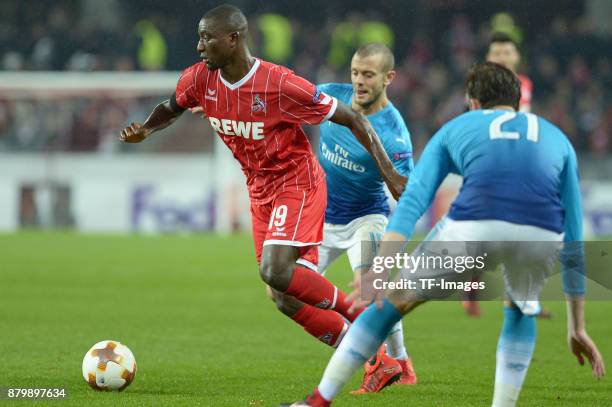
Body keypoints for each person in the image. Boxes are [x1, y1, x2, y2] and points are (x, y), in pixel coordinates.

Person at [281, 62, 605, 407]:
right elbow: (573, 236)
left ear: (474, 102)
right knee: (520, 310)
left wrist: (380, 268)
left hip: (474, 224)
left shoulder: (460, 127)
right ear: (517, 100)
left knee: (390, 305)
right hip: (539, 235)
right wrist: (577, 325)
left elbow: (414, 200)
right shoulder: (558, 138)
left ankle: (319, 401)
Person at [119, 4, 406, 359]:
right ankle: (372, 358)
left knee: (276, 269)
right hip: (260, 191)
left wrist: (390, 173)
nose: (199, 46)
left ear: (233, 39)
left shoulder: (279, 84)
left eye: (207, 38)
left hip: (296, 182)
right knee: (282, 296)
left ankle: (361, 317)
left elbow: (354, 120)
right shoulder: (198, 79)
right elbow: (171, 106)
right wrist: (146, 128)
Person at [315, 43, 416, 392]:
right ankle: (379, 354)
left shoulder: (394, 132)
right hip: (320, 220)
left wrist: (392, 246)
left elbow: (408, 194)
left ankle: (399, 362)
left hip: (366, 218)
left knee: (371, 295)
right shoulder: (331, 97)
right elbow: (282, 100)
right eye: (356, 72)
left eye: (368, 75)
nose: (359, 81)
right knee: (283, 290)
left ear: (389, 78)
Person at [487, 32, 532, 113]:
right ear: (488, 58)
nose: (502, 59)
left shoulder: (523, 83)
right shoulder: (478, 86)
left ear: (517, 56)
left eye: (507, 53)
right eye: (497, 54)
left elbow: (523, 112)